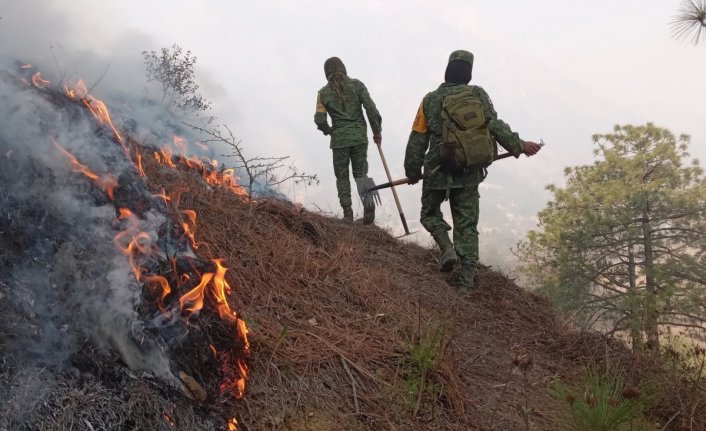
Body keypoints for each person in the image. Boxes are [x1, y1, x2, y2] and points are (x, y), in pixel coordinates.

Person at [404, 50, 542, 290]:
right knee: (466, 225)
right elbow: (495, 125)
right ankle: (466, 282)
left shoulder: (429, 100)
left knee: (429, 213)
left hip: (437, 170)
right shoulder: (478, 94)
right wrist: (519, 145)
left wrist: (413, 171)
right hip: (468, 170)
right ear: (468, 73)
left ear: (448, 70)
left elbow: (418, 138)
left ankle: (446, 248)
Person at [314, 57, 382, 224]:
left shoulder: (323, 93)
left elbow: (319, 119)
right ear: (343, 68)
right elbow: (371, 109)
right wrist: (376, 131)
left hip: (339, 140)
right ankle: (368, 209)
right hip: (359, 137)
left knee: (342, 177)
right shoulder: (357, 85)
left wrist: (329, 131)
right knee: (361, 174)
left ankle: (347, 214)